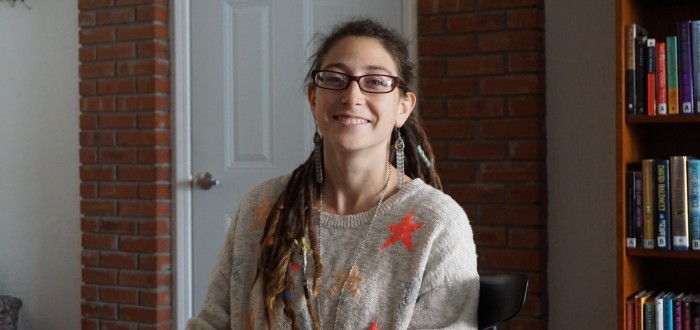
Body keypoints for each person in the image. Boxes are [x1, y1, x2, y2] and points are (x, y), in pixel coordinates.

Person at [187, 17, 479, 330]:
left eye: (376, 81)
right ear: (314, 100)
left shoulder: (437, 223)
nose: (352, 96)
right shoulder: (261, 208)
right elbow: (212, 322)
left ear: (403, 108)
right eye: (335, 78)